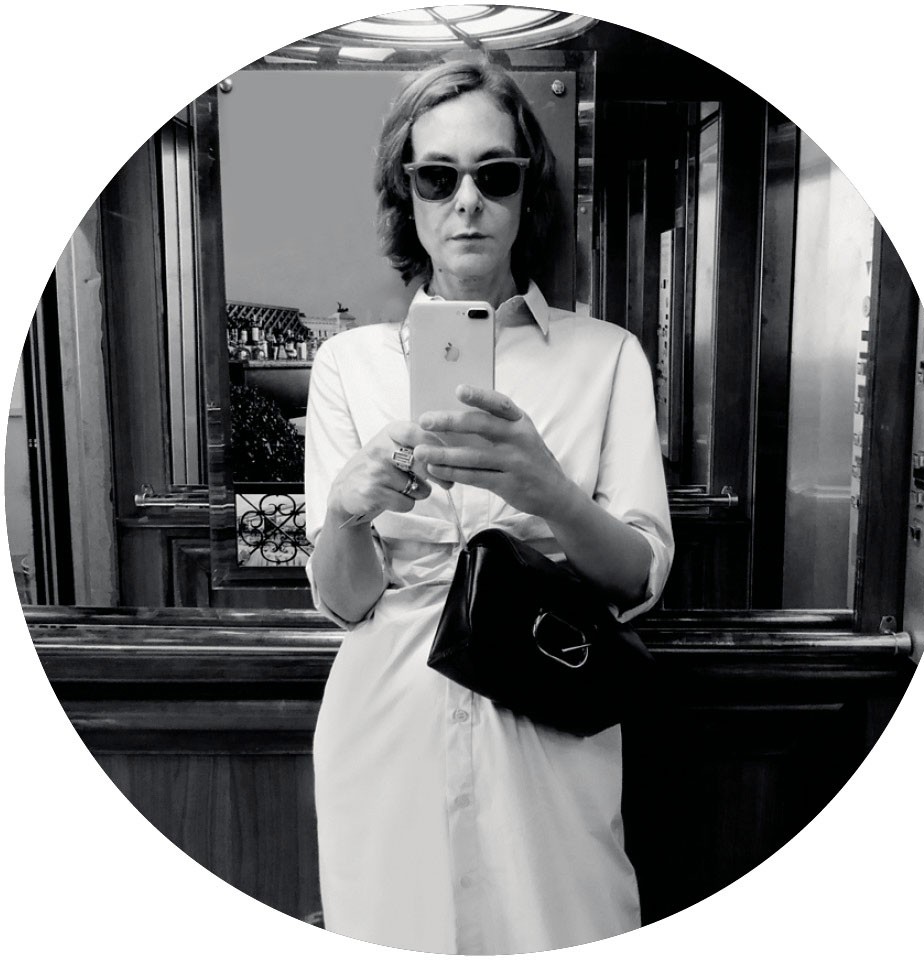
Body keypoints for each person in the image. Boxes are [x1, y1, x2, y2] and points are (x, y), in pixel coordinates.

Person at [303, 59, 674, 954]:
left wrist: (545, 489)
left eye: (494, 174)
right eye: (438, 177)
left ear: (527, 192)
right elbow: (344, 602)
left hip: (549, 722)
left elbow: (638, 580)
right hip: (387, 724)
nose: (466, 201)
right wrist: (347, 514)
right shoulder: (347, 365)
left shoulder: (608, 357)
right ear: (408, 196)